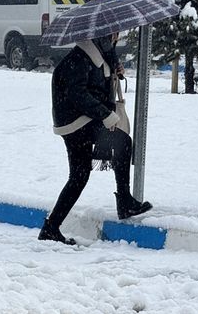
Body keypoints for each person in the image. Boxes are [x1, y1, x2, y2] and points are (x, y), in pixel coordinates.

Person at [39, 32, 153, 245]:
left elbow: (95, 85)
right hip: (75, 123)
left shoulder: (98, 56)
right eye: (112, 34)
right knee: (121, 143)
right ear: (99, 36)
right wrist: (106, 115)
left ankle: (51, 228)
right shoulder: (78, 59)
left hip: (81, 121)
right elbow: (79, 95)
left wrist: (115, 72)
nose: (115, 38)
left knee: (79, 177)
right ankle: (125, 201)